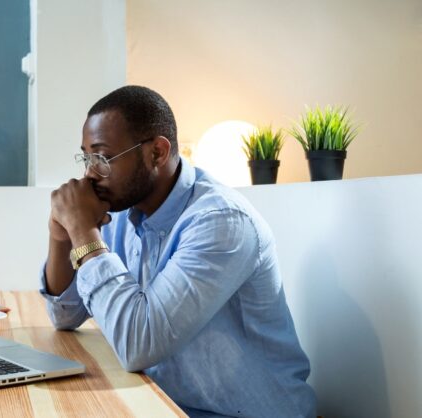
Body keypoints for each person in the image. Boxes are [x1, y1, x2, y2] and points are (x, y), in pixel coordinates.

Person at [41, 85, 316, 417]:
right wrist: (61, 235)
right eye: (86, 157)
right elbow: (65, 315)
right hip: (166, 406)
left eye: (102, 157)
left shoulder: (220, 223)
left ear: (156, 152)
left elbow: (138, 345)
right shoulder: (122, 211)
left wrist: (83, 232)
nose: (89, 172)